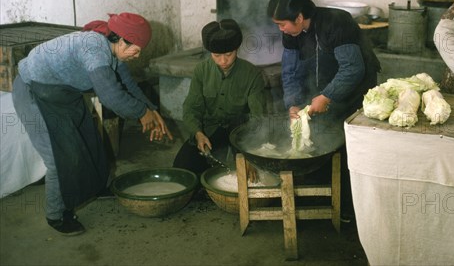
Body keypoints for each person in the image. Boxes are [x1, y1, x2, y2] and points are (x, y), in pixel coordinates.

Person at [11, 12, 172, 236]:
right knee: (59, 158)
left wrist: (151, 111)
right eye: (136, 49)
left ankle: (98, 187)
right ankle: (56, 215)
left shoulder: (114, 51)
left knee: (90, 140)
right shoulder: (94, 49)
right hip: (34, 92)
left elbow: (126, 84)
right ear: (122, 40)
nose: (138, 55)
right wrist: (141, 113)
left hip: (63, 93)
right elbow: (110, 97)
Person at [267, 0, 381, 220]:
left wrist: (326, 96)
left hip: (356, 91)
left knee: (350, 146)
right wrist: (293, 104)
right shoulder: (292, 33)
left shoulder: (337, 23)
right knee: (319, 140)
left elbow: (353, 69)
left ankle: (350, 209)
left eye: (282, 24)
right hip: (325, 88)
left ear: (299, 17)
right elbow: (290, 71)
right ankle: (321, 198)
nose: (281, 29)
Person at [172, 19, 267, 180]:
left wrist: (251, 155)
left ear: (236, 49)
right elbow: (191, 108)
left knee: (250, 174)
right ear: (210, 53)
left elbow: (258, 118)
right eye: (217, 56)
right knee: (183, 169)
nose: (223, 61)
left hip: (241, 132)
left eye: (229, 54)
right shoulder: (202, 70)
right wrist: (198, 133)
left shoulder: (252, 74)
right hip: (210, 129)